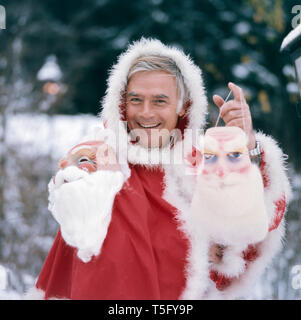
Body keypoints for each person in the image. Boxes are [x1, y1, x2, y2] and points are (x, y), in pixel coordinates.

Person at [25, 38, 292, 300]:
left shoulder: (200, 167)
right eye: (136, 100)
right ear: (120, 104)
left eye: (160, 101)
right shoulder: (103, 154)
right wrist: (93, 179)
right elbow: (76, 188)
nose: (146, 113)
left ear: (182, 108)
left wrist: (247, 148)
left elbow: (249, 235)